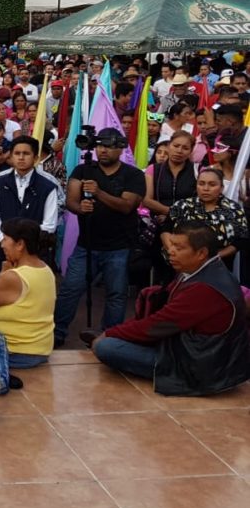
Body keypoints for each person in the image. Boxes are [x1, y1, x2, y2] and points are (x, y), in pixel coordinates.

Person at [91, 223, 250, 396]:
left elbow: (157, 325)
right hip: (194, 349)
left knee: (106, 347)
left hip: (199, 366)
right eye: (171, 245)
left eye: (178, 247)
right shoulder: (205, 269)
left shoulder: (204, 289)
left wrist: (111, 334)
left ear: (201, 253)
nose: (170, 251)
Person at [53, 127, 145, 347]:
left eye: (110, 146)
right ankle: (57, 333)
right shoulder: (83, 170)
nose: (104, 150)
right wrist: (80, 207)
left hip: (119, 246)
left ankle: (109, 338)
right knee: (69, 290)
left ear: (121, 149)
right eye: (101, 145)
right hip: (86, 244)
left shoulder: (133, 175)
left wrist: (99, 193)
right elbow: (71, 201)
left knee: (116, 294)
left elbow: (127, 206)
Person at [0, 219, 56, 370]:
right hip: (39, 349)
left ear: (20, 244)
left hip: (13, 352)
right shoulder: (46, 270)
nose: (2, 244)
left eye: (5, 239)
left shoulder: (12, 277)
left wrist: (0, 275)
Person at [0, 136, 60, 270]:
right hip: (5, 252)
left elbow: (49, 224)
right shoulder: (0, 182)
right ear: (11, 156)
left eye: (26, 153)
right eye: (17, 153)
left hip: (34, 254)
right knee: (5, 289)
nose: (21, 157)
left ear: (35, 158)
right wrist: (4, 239)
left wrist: (23, 244)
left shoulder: (48, 186)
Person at [165, 166, 248, 268]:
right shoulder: (182, 206)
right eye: (201, 184)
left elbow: (241, 240)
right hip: (181, 263)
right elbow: (165, 229)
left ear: (221, 188)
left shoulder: (233, 209)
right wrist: (175, 252)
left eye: (212, 184)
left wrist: (213, 257)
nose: (206, 188)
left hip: (219, 264)